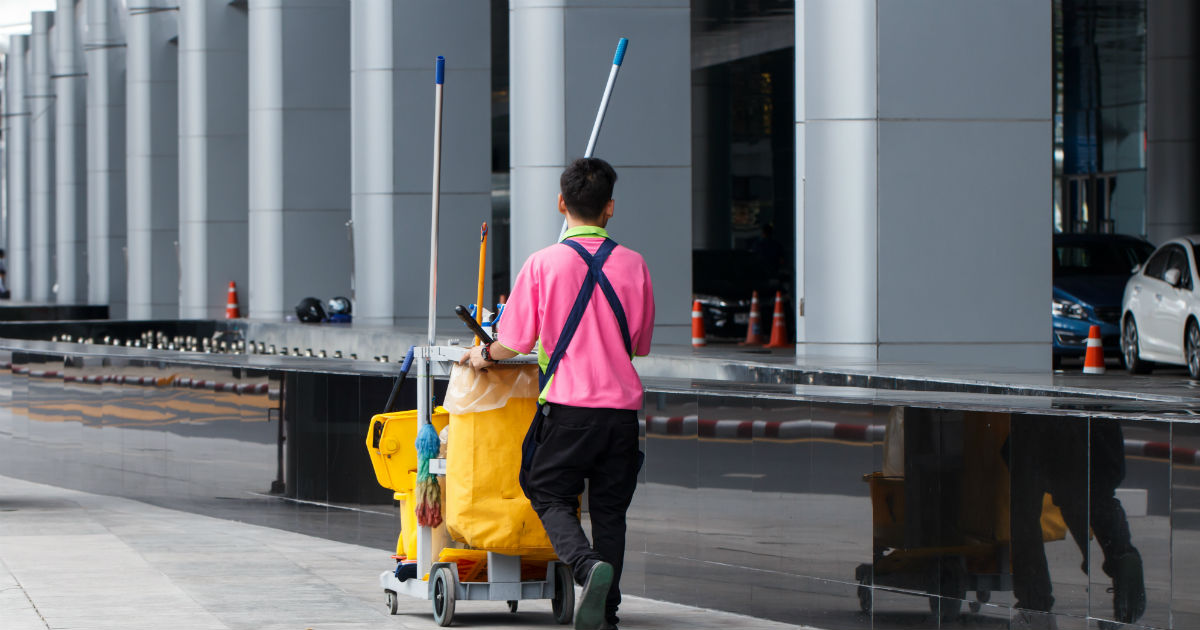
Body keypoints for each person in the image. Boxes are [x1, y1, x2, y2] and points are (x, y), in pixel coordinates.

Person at [460, 157, 655, 630]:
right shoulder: (635, 264)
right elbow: (639, 344)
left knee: (545, 491)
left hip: (568, 409)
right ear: (610, 207)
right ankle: (605, 615)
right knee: (610, 513)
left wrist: (483, 356)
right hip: (621, 414)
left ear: (561, 203)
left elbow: (513, 343)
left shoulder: (543, 263)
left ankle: (587, 569)